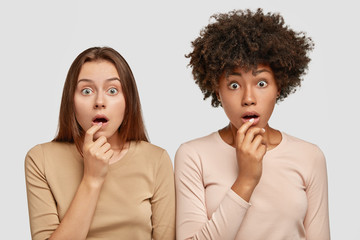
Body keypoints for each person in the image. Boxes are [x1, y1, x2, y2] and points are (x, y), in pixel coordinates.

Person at [175, 9, 330, 240]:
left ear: (279, 87)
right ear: (217, 91)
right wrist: (246, 179)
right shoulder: (193, 155)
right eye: (234, 85)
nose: (248, 98)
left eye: (261, 82)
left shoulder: (310, 156)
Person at [25, 47, 175, 240]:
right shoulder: (41, 159)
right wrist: (92, 179)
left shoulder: (156, 159)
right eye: (86, 91)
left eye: (112, 90)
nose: (99, 102)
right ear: (71, 100)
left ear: (128, 100)